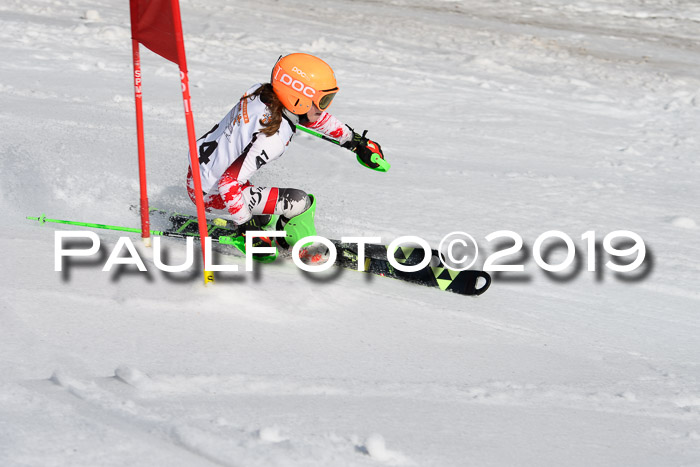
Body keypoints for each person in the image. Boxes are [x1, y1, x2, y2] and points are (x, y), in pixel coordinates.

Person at [186, 53, 386, 251]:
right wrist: (246, 228)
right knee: (300, 202)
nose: (323, 108)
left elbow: (313, 117)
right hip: (213, 194)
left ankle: (259, 219)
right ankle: (305, 249)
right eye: (324, 100)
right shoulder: (273, 139)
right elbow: (228, 184)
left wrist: (355, 142)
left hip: (198, 173)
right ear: (298, 98)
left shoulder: (259, 92)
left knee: (263, 216)